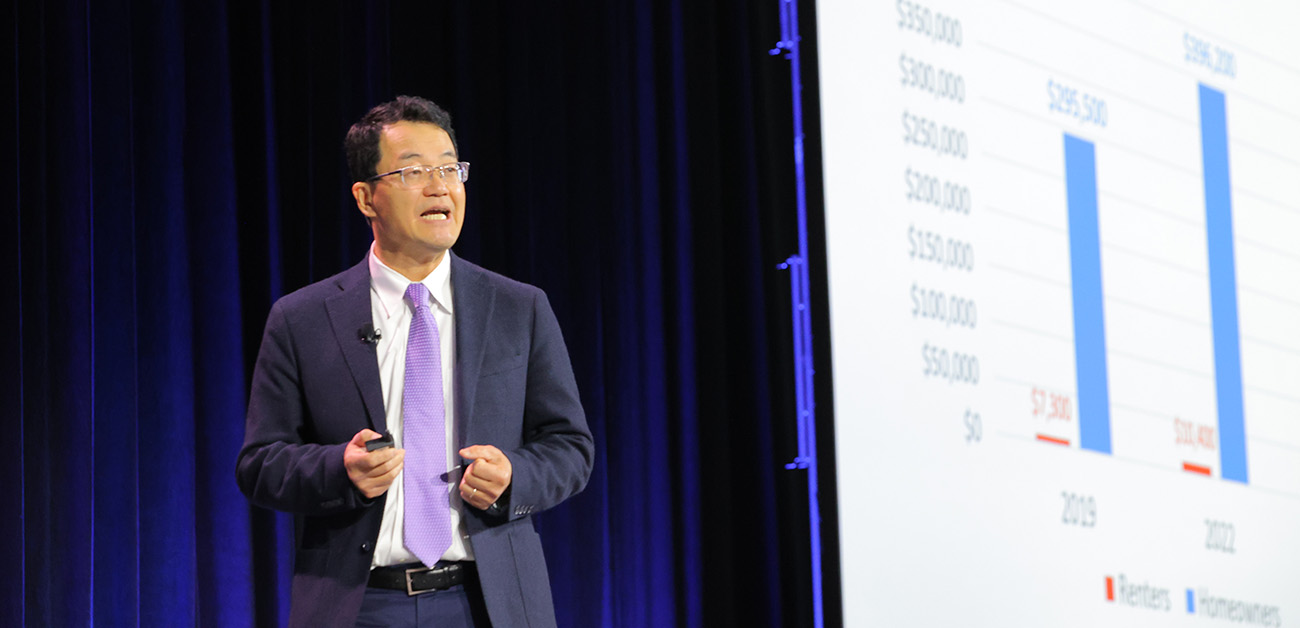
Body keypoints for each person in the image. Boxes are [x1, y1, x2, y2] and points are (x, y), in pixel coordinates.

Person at [236, 95, 594, 628]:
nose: (440, 186)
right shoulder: (302, 318)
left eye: (450, 168)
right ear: (366, 198)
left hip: (489, 603)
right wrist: (342, 470)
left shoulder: (519, 307)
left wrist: (514, 476)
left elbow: (570, 447)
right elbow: (260, 463)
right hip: (359, 605)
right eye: (414, 171)